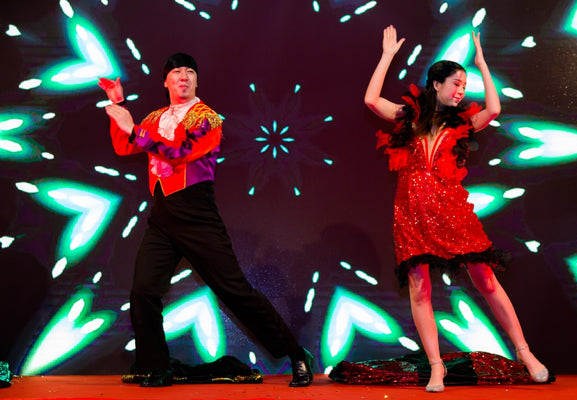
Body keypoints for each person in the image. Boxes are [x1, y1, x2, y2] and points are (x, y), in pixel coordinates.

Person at [98, 53, 313, 388]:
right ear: (166, 81)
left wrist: (134, 130)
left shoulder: (208, 119)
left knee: (235, 291)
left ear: (197, 81)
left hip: (196, 215)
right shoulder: (155, 118)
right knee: (143, 291)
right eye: (176, 72)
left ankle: (297, 354)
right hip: (162, 217)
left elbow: (179, 153)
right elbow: (124, 147)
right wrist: (118, 104)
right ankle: (155, 366)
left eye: (190, 72)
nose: (183, 77)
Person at [364, 26, 548, 392]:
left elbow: (494, 108)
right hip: (412, 213)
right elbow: (372, 100)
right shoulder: (410, 117)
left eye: (465, 85)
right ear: (436, 84)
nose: (461, 90)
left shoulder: (462, 122)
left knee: (486, 280)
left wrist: (482, 64)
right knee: (420, 290)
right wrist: (386, 56)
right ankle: (436, 367)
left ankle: (525, 353)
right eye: (456, 83)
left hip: (451, 211)